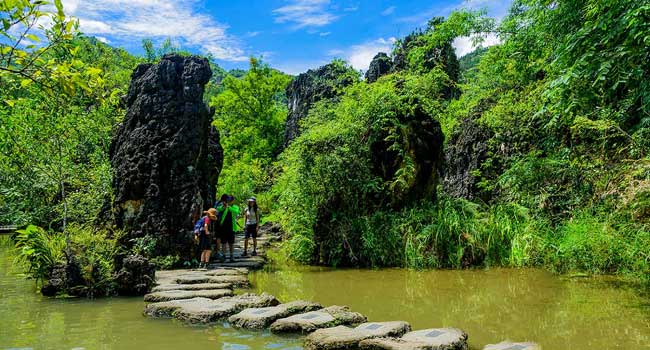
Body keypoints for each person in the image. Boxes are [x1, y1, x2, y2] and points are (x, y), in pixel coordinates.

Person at [218, 195, 240, 262]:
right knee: (223, 243)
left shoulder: (235, 207)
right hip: (223, 228)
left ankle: (231, 256)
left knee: (231, 243)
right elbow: (218, 209)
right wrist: (224, 206)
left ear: (232, 201)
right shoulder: (223, 207)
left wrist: (228, 207)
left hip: (231, 228)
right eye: (228, 200)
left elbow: (236, 212)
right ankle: (223, 256)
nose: (229, 201)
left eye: (230, 200)